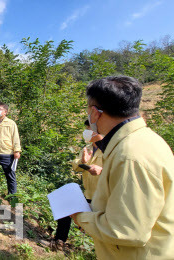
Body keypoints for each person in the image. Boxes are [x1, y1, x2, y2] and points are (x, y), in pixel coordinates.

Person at [71, 76, 174, 259]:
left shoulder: (130, 156)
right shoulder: (144, 141)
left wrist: (80, 216)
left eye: (88, 109)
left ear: (95, 113)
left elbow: (125, 230)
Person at [50, 120, 103, 251]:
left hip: (103, 198)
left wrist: (102, 171)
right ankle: (59, 240)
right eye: (86, 128)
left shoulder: (109, 150)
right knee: (64, 204)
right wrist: (82, 161)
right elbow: (76, 166)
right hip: (88, 194)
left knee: (100, 227)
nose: (87, 132)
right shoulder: (88, 148)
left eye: (89, 129)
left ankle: (97, 251)